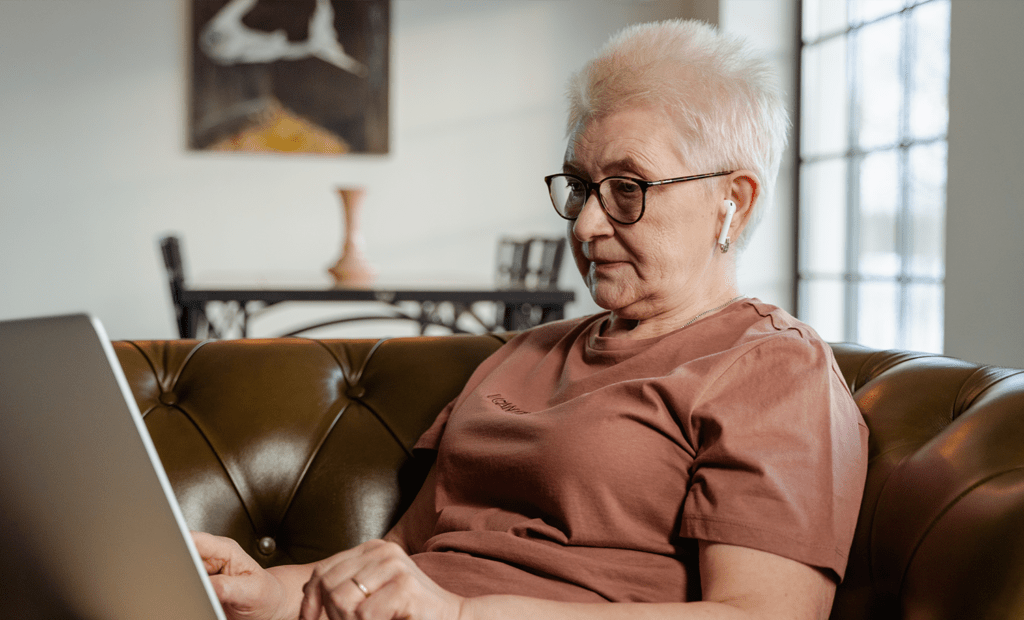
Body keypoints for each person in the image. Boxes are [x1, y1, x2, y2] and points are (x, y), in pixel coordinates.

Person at [194, 18, 868, 620]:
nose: (586, 223)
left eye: (627, 189)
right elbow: (398, 555)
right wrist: (271, 592)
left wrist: (457, 613)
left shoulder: (771, 365)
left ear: (735, 202)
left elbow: (766, 614)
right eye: (579, 187)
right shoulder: (525, 353)